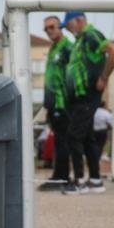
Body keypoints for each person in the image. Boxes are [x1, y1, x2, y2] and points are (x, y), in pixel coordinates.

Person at [61, 11, 114, 194]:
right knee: (86, 138)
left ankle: (79, 181)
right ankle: (95, 179)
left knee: (73, 136)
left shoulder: (90, 35)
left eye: (69, 25)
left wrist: (104, 77)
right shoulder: (80, 40)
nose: (69, 30)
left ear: (78, 20)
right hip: (79, 97)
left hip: (87, 96)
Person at [38, 15, 72, 190]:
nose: (49, 31)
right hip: (52, 103)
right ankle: (58, 175)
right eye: (46, 29)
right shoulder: (53, 48)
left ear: (61, 27)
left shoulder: (67, 47)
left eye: (52, 27)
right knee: (58, 140)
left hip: (62, 102)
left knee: (63, 140)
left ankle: (63, 178)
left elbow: (72, 73)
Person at [91, 102, 114, 174]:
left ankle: (94, 157)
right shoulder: (106, 113)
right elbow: (111, 123)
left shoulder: (93, 111)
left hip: (93, 131)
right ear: (104, 106)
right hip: (102, 131)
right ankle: (97, 158)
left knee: (94, 145)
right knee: (100, 146)